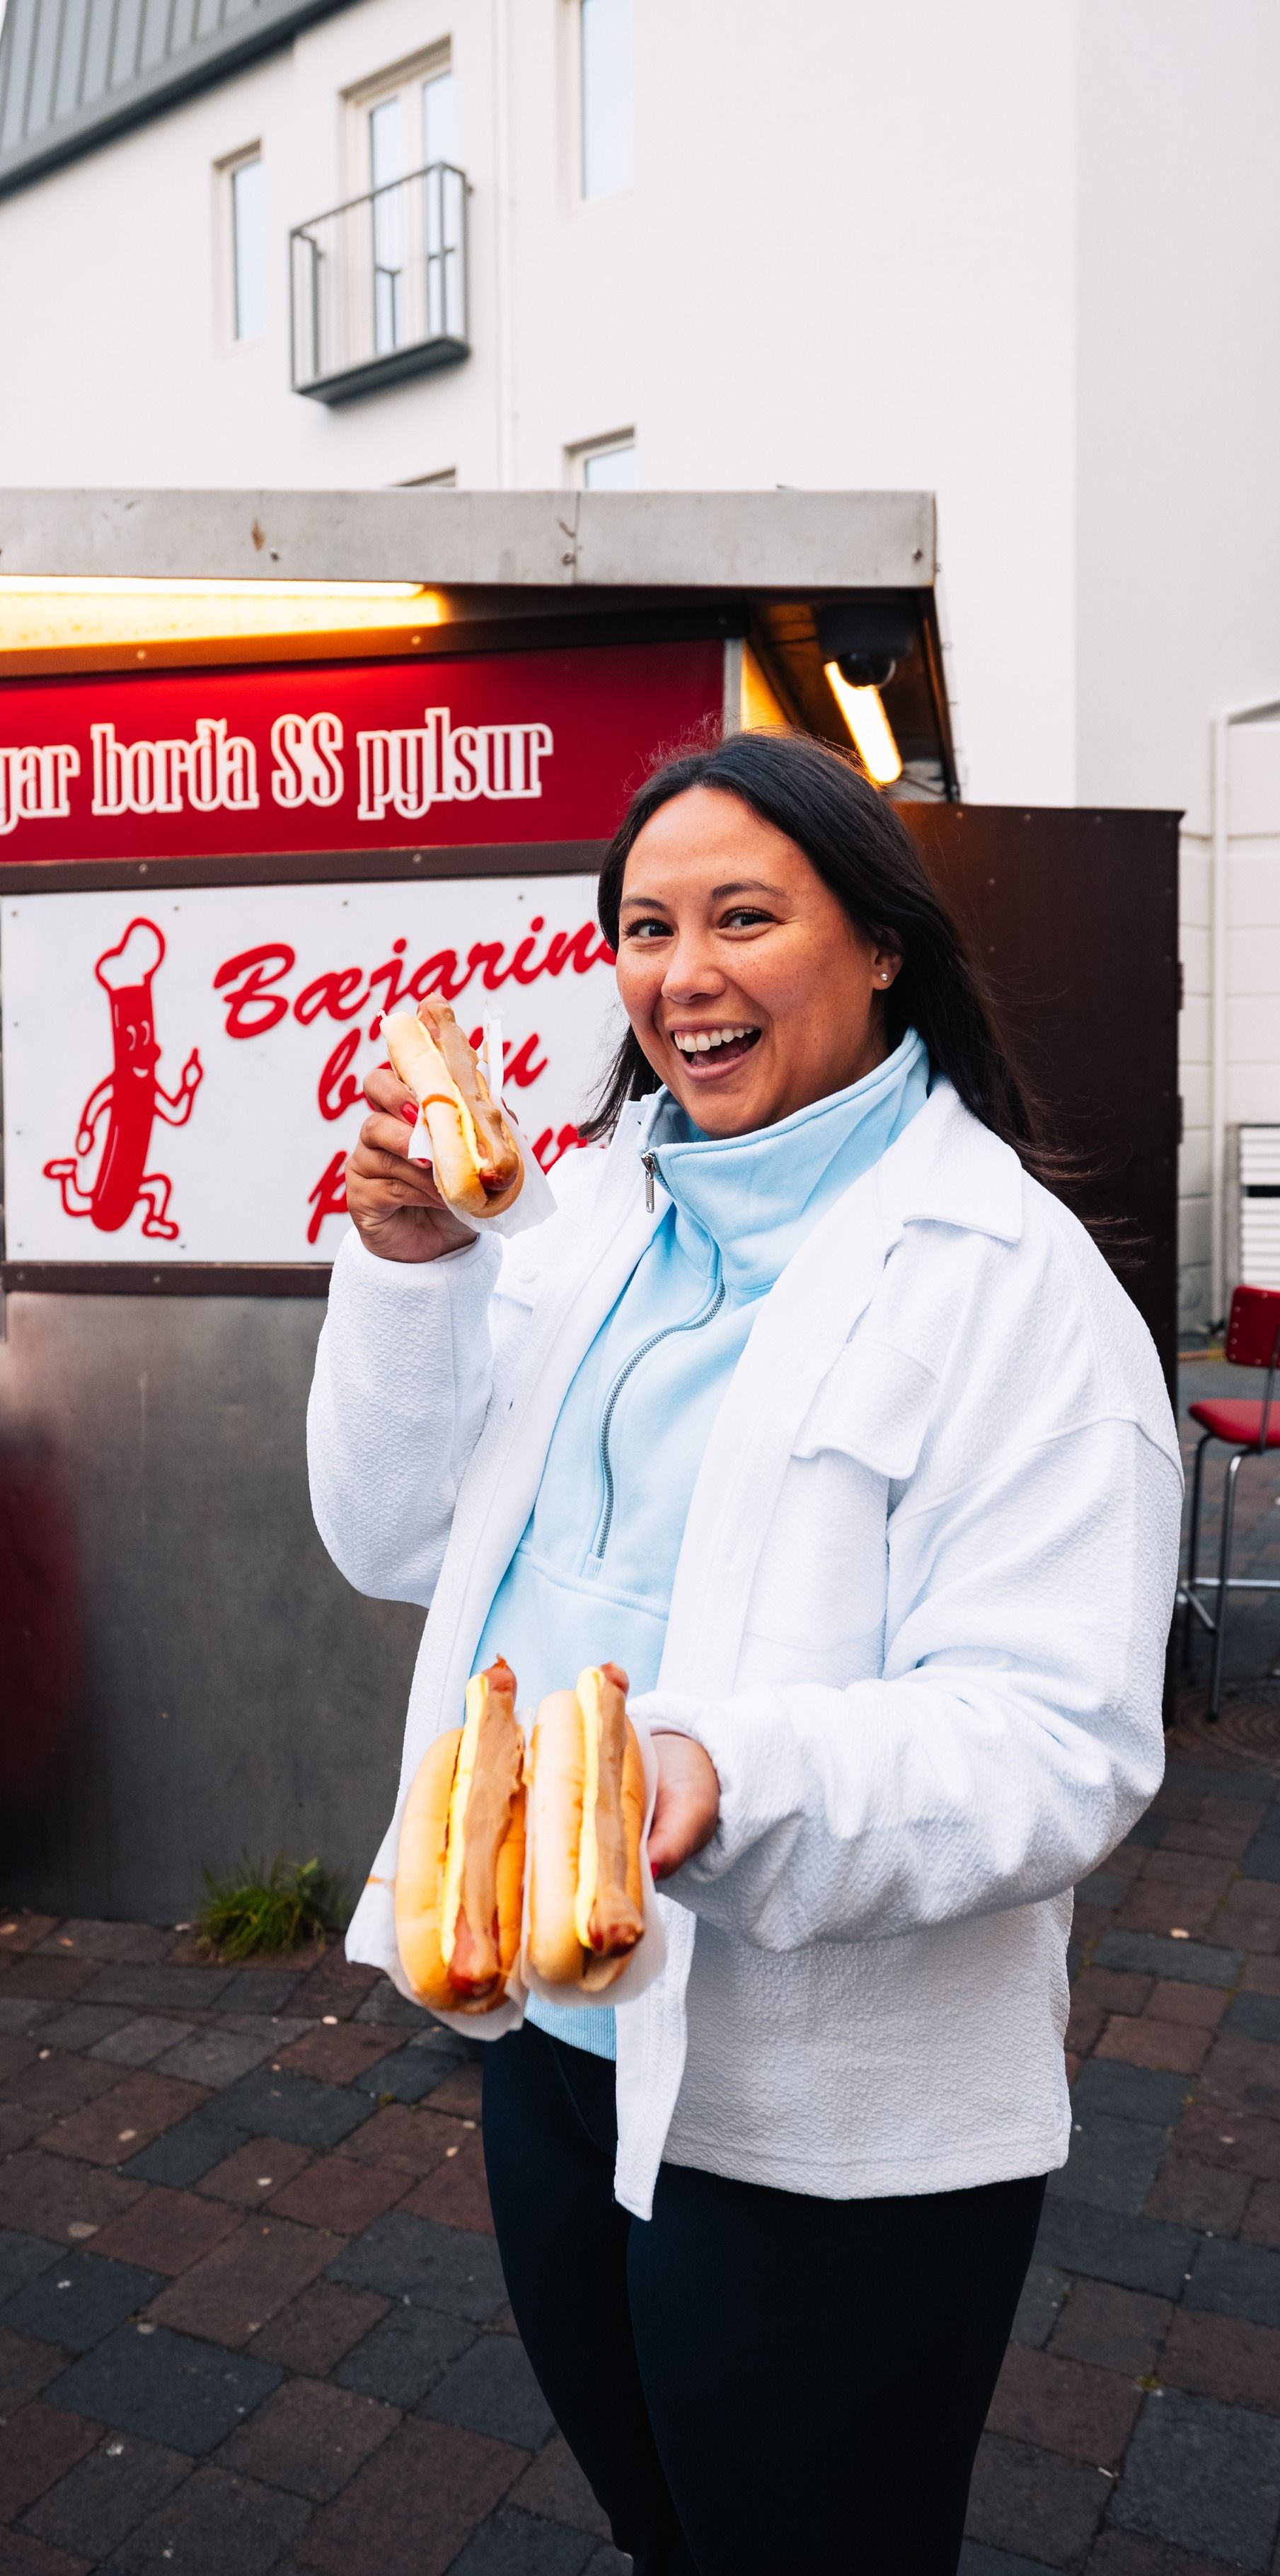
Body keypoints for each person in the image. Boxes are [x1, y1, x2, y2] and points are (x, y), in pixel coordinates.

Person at [309, 729, 1182, 2576]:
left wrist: (726, 1781)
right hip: (551, 2039)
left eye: (741, 914)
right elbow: (389, 1537)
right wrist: (408, 1270)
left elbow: (1057, 1738)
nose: (680, 969)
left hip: (820, 2127)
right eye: (643, 924)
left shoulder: (1008, 1282)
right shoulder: (577, 1220)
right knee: (664, 2526)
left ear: (878, 942)